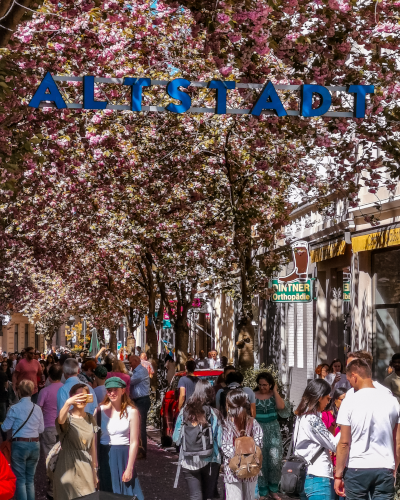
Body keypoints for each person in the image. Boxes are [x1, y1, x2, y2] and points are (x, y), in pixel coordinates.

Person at [334, 358, 400, 500]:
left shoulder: (349, 401)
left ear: (354, 376)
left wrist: (338, 475)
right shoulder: (392, 400)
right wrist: (393, 470)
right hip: (385, 467)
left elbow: (344, 442)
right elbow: (398, 442)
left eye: (349, 380)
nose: (349, 384)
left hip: (357, 468)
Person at [173, 380, 222, 500]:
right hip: (211, 458)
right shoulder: (214, 413)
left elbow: (176, 439)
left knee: (195, 495)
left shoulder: (184, 412)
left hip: (188, 459)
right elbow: (220, 441)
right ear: (210, 393)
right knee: (208, 495)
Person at [97, 377, 144, 499]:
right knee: (107, 493)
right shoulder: (99, 411)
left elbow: (134, 442)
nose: (112, 393)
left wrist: (129, 467)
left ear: (123, 391)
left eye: (115, 390)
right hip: (104, 456)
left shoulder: (131, 411)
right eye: (109, 390)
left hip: (123, 456)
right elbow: (93, 440)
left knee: (126, 494)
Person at [294, 379, 340, 500]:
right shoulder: (312, 420)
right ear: (320, 398)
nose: (328, 402)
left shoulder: (301, 416)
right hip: (317, 478)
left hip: (305, 476)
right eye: (328, 398)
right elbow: (335, 444)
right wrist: (344, 426)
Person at [54, 383, 98, 500]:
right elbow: (61, 420)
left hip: (85, 466)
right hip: (67, 467)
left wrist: (94, 471)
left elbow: (93, 447)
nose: (81, 399)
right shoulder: (67, 417)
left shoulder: (90, 418)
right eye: (78, 396)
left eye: (84, 396)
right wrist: (68, 403)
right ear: (72, 397)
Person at [1, 379, 44, 500]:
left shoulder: (14, 408)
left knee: (20, 479)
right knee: (30, 479)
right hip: (35, 443)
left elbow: (5, 428)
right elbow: (41, 429)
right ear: (31, 392)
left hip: (19, 444)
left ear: (18, 392)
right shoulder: (37, 409)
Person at [254, 372, 291, 500]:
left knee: (275, 461)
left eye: (265, 385)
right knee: (261, 461)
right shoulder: (253, 396)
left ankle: (274, 490)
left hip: (273, 430)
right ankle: (263, 491)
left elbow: (281, 407)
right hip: (258, 430)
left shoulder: (273, 396)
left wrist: (275, 391)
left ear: (270, 384)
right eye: (260, 384)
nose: (262, 387)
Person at [221, 389, 263, 500]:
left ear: (229, 406)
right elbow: (259, 445)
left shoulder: (227, 425)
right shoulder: (253, 423)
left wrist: (238, 457)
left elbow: (226, 448)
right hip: (251, 469)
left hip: (233, 471)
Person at [37, 364, 63, 499]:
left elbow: (38, 409)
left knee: (49, 458)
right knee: (62, 457)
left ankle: (52, 488)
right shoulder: (65, 389)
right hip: (63, 427)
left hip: (48, 426)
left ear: (49, 376)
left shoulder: (45, 391)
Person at [129, 355, 151, 458]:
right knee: (136, 425)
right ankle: (138, 449)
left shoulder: (141, 371)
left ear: (135, 361)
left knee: (140, 425)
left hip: (142, 400)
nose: (129, 364)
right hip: (137, 400)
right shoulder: (136, 371)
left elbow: (130, 381)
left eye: (130, 362)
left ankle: (142, 450)